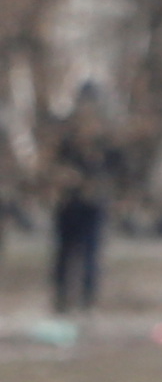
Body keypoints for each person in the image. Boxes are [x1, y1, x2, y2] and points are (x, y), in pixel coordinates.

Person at [44, 83, 121, 317]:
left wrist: (98, 185)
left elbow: (118, 171)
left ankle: (87, 302)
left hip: (93, 203)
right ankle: (61, 301)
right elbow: (51, 166)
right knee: (64, 253)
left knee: (90, 253)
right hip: (68, 203)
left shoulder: (106, 139)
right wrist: (63, 178)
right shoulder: (66, 138)